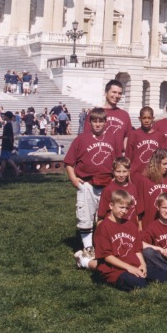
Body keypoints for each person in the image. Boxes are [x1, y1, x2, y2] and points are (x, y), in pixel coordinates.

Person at [76, 189, 167, 291]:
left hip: (132, 263)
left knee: (163, 277)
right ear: (111, 206)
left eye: (126, 208)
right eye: (121, 207)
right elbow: (107, 257)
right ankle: (87, 262)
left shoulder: (130, 225)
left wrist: (142, 264)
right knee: (140, 284)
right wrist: (129, 268)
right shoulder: (103, 227)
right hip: (114, 269)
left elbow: (137, 249)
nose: (124, 211)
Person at [65, 108, 122, 253]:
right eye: (94, 121)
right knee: (85, 215)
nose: (97, 124)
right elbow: (69, 162)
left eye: (101, 121)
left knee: (106, 216)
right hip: (88, 183)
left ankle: (104, 245)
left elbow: (117, 161)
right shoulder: (81, 139)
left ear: (105, 122)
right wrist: (74, 179)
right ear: (89, 122)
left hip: (107, 183)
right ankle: (88, 246)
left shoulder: (112, 138)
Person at [137, 148, 167, 228]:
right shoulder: (144, 180)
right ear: (156, 163)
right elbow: (139, 208)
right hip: (150, 224)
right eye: (164, 164)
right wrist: (140, 226)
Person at [97, 157, 140, 223]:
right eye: (118, 171)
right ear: (113, 171)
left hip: (131, 226)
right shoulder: (108, 189)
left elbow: (137, 212)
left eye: (124, 171)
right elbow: (101, 216)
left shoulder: (133, 188)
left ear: (129, 171)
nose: (121, 175)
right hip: (114, 227)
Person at [128, 106, 162, 176]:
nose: (146, 120)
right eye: (144, 118)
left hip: (153, 173)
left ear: (153, 119)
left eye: (149, 118)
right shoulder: (134, 134)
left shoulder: (159, 135)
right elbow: (128, 156)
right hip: (136, 173)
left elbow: (161, 156)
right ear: (139, 119)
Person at [102, 80, 132, 152]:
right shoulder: (94, 113)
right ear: (106, 93)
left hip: (118, 159)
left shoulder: (124, 115)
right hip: (101, 155)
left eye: (119, 93)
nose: (117, 96)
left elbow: (127, 138)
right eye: (114, 92)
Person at [0, 110, 22, 178]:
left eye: (5, 116)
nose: (3, 117)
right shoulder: (9, 124)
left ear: (7, 117)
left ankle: (16, 171)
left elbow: (7, 136)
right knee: (4, 159)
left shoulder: (8, 125)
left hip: (6, 144)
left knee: (6, 159)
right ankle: (1, 174)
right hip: (7, 144)